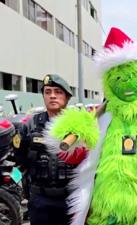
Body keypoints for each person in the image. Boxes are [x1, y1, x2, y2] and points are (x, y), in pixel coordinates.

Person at [19, 74, 87, 225]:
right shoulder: (30, 126)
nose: (53, 96)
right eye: (48, 92)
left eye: (58, 92)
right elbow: (20, 161)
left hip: (72, 200)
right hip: (40, 201)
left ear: (67, 97)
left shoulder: (79, 127)